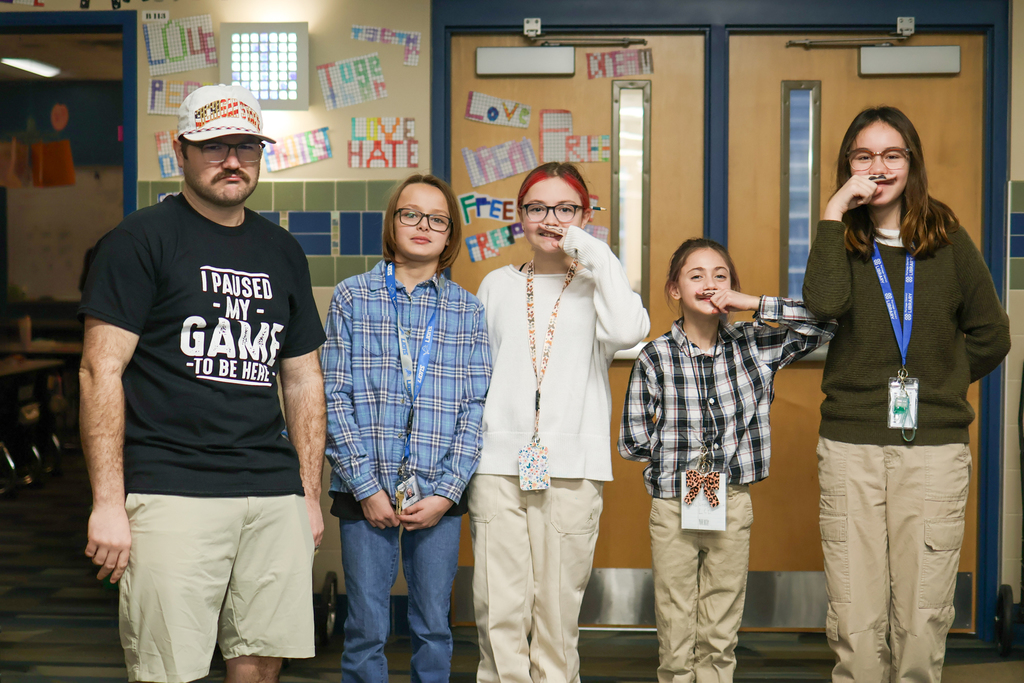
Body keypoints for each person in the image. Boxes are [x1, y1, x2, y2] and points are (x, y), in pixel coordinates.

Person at [78, 85, 326, 683]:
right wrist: (108, 503)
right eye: (215, 147)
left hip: (271, 491)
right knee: (168, 670)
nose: (233, 160)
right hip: (171, 489)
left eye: (246, 146)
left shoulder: (282, 250)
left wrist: (308, 494)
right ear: (180, 151)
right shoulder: (140, 240)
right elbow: (99, 369)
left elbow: (302, 377)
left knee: (261, 663)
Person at [802, 106, 1010, 683]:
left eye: (892, 155)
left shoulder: (947, 241)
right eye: (863, 156)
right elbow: (824, 305)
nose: (879, 167)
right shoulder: (839, 239)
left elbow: (993, 333)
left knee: (922, 614)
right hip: (850, 447)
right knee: (855, 615)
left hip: (934, 451)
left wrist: (943, 380)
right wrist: (831, 212)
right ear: (848, 165)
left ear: (911, 163)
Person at [619, 238, 835, 682]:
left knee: (722, 612)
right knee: (676, 613)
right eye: (695, 275)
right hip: (674, 501)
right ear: (675, 289)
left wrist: (752, 303)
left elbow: (827, 322)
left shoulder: (753, 346)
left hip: (731, 499)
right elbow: (633, 439)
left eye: (721, 275)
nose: (710, 283)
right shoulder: (656, 356)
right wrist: (677, 460)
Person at [470, 162, 650, 683]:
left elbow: (629, 327)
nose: (550, 219)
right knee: (497, 608)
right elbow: (481, 371)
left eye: (565, 209)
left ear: (585, 215)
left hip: (572, 466)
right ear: (519, 216)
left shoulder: (599, 282)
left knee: (556, 613)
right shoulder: (496, 285)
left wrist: (591, 250)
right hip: (498, 464)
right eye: (537, 208)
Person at [322, 174, 491, 683]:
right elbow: (334, 396)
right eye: (410, 214)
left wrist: (447, 492)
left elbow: (476, 409)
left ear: (449, 234)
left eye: (437, 219)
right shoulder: (352, 297)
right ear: (392, 223)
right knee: (367, 626)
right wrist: (366, 487)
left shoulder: (467, 309)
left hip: (438, 491)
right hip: (364, 486)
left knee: (434, 626)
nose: (423, 226)